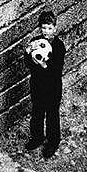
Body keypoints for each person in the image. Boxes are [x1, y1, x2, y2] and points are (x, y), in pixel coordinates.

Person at [24, 10, 66, 159]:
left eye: (49, 28)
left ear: (55, 28)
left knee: (52, 114)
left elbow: (55, 70)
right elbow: (27, 64)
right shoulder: (36, 42)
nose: (46, 31)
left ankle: (53, 142)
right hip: (37, 84)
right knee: (37, 112)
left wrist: (42, 63)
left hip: (53, 86)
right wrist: (28, 51)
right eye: (43, 28)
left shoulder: (59, 47)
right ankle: (37, 138)